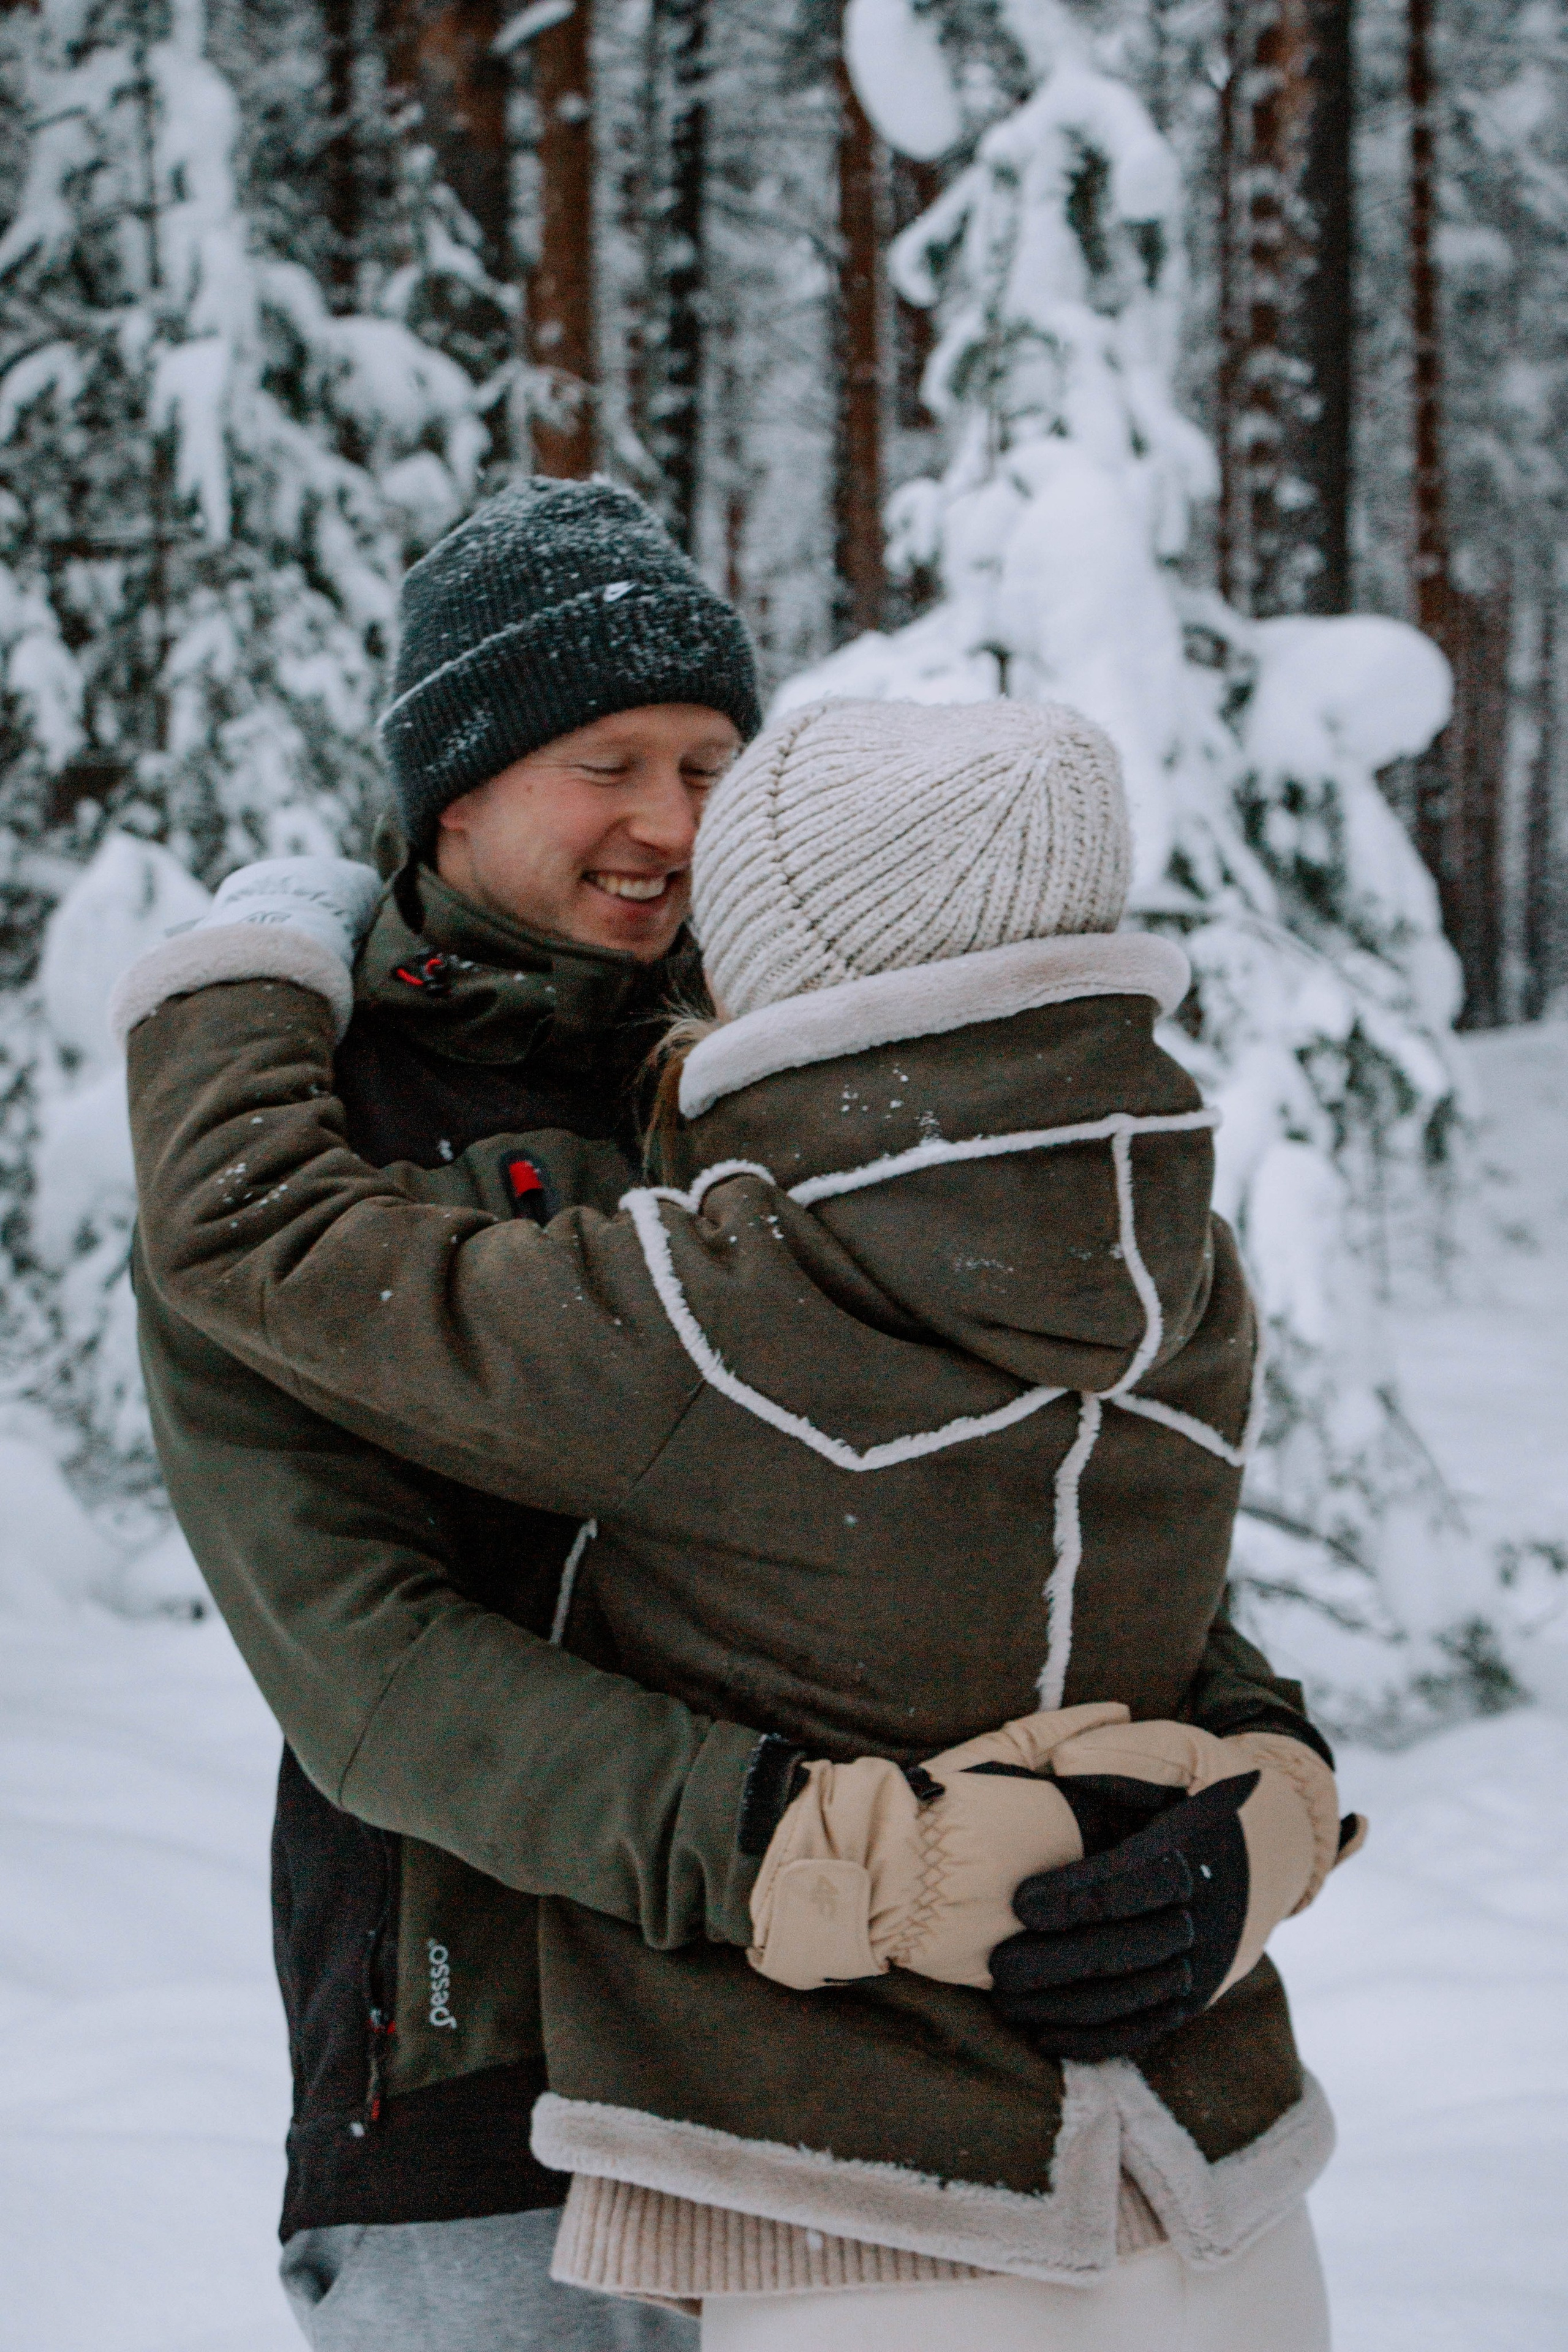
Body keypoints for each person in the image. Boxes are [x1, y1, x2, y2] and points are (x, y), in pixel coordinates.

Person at [119, 689, 1360, 2351]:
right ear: (445, 797)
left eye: (714, 774)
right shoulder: (1181, 1261)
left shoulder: (723, 1300)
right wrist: (1272, 1795)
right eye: (608, 765)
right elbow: (372, 1653)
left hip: (842, 2198)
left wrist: (247, 960)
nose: (672, 826)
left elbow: (252, 1234)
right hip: (1187, 2189)